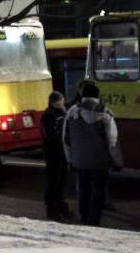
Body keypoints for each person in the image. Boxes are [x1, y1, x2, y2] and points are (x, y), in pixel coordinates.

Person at [62, 82, 122, 226]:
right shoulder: (105, 112)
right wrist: (118, 161)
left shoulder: (72, 112)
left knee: (84, 190)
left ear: (83, 94)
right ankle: (94, 219)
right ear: (97, 95)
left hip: (80, 160)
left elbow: (66, 138)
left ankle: (84, 215)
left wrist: (70, 159)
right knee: (98, 191)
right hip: (100, 161)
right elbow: (112, 140)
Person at [40, 90, 72, 221]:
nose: (62, 102)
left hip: (63, 154)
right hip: (53, 154)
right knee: (53, 183)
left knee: (62, 182)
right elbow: (50, 136)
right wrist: (61, 145)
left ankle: (62, 208)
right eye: (60, 100)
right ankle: (53, 210)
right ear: (54, 102)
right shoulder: (48, 115)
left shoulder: (64, 112)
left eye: (63, 99)